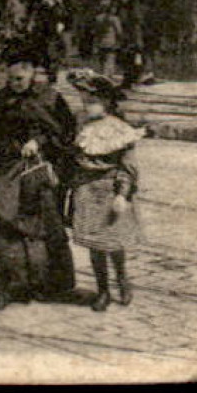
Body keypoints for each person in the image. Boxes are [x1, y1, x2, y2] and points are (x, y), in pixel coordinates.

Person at [0, 60, 78, 311]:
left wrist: (38, 142)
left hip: (36, 171)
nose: (14, 84)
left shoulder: (49, 99)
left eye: (20, 79)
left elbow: (63, 133)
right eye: (11, 78)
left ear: (32, 76)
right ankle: (0, 285)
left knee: (40, 225)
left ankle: (47, 282)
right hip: (4, 167)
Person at [65, 72, 144, 310]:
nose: (87, 106)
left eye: (92, 102)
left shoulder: (120, 130)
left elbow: (128, 166)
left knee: (113, 242)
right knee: (94, 244)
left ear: (107, 102)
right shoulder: (81, 126)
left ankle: (122, 279)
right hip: (86, 190)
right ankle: (103, 291)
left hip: (109, 191)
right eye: (84, 102)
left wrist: (122, 194)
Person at [92, 1, 125, 82]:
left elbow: (95, 31)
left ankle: (102, 74)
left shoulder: (98, 18)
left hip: (100, 41)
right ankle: (107, 76)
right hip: (111, 41)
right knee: (110, 59)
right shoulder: (114, 19)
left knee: (102, 59)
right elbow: (119, 31)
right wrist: (121, 40)